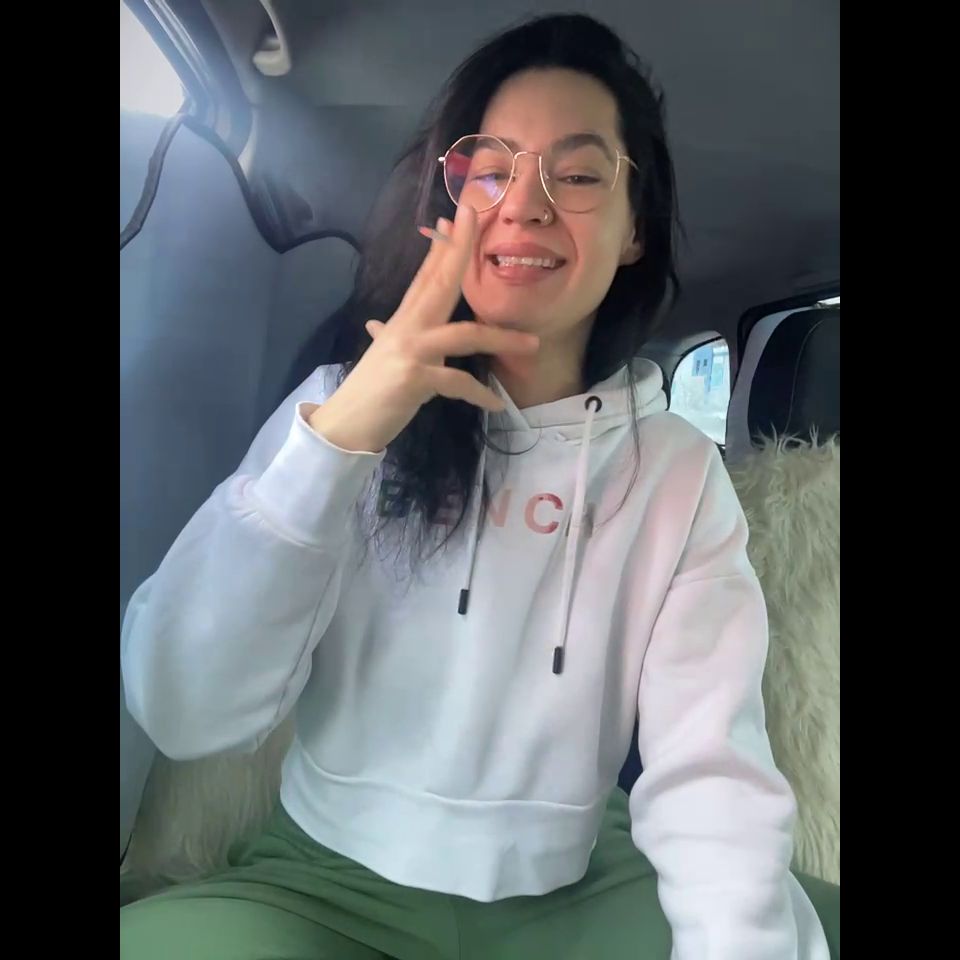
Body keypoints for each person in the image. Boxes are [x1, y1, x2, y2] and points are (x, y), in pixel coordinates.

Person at [120, 13, 840, 959]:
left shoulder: (674, 474)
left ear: (634, 229)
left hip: (580, 884)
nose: (526, 205)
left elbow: (711, 771)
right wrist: (339, 443)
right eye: (490, 170)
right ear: (447, 205)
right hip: (325, 881)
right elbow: (183, 709)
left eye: (578, 175)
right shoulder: (338, 409)